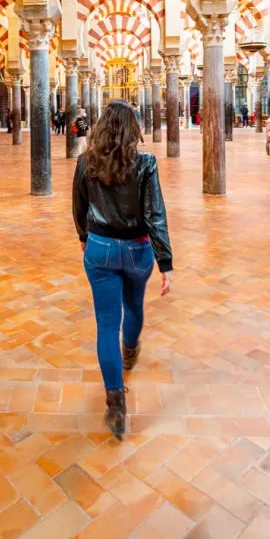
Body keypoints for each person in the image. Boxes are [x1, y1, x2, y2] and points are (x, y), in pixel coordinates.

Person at [72, 100, 173, 437]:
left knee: (105, 324)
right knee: (134, 306)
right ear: (134, 127)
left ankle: (115, 404)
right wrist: (165, 262)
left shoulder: (86, 161)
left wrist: (86, 237)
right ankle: (130, 350)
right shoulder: (145, 163)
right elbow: (155, 214)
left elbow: (79, 206)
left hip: (100, 248)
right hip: (137, 248)